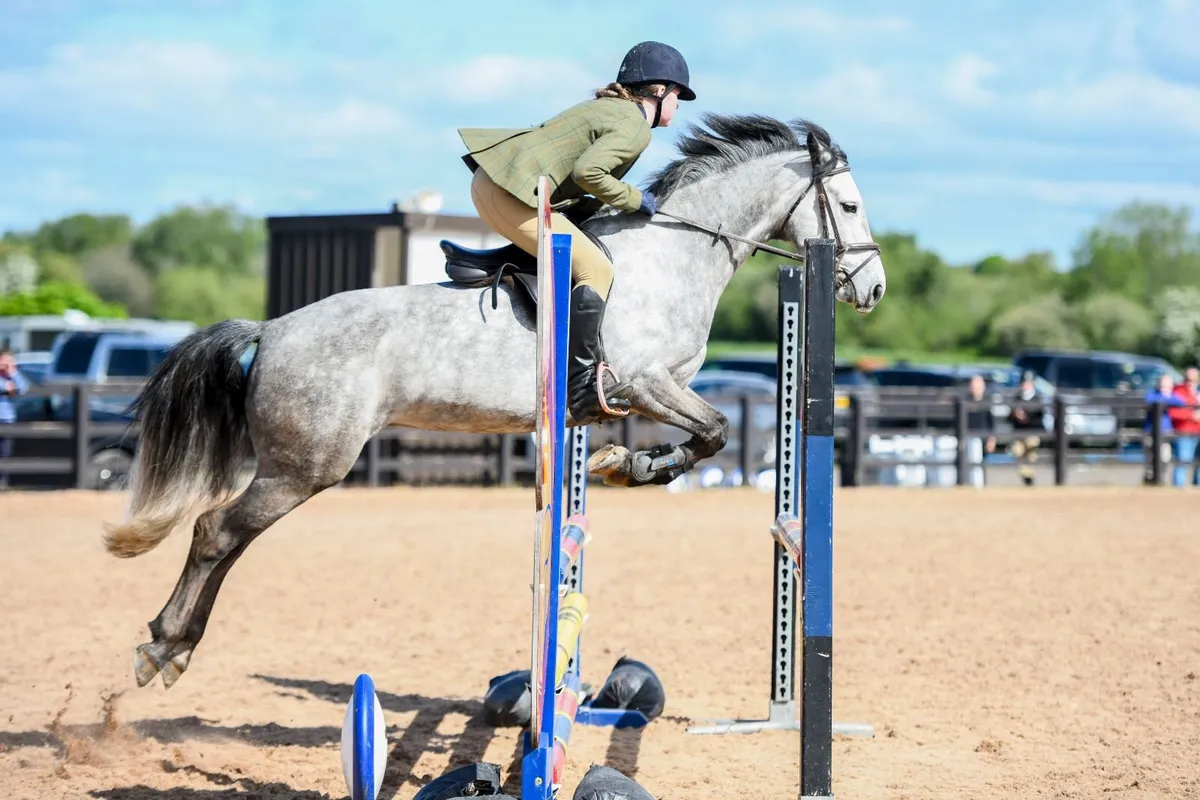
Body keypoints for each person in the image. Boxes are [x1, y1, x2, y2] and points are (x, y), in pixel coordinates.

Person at [456, 41, 695, 422]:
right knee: (597, 270)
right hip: (510, 192)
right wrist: (636, 199)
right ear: (658, 90)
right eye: (678, 94)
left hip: (499, 184)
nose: (679, 104)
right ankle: (581, 385)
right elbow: (589, 173)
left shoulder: (612, 110)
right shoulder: (635, 125)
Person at [0, 349, 29, 490]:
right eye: (4, 361)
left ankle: (3, 482)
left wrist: (13, 373)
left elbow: (23, 388)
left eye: (9, 361)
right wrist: (5, 386)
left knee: (5, 452)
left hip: (7, 419)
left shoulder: (12, 376)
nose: (6, 364)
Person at [1168, 366, 1200, 486]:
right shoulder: (1178, 391)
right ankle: (1178, 489)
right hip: (1184, 431)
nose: (1190, 381)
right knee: (1182, 461)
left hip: (1198, 430)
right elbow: (1174, 412)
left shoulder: (1198, 391)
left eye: (1193, 378)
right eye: (1188, 378)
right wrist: (1192, 415)